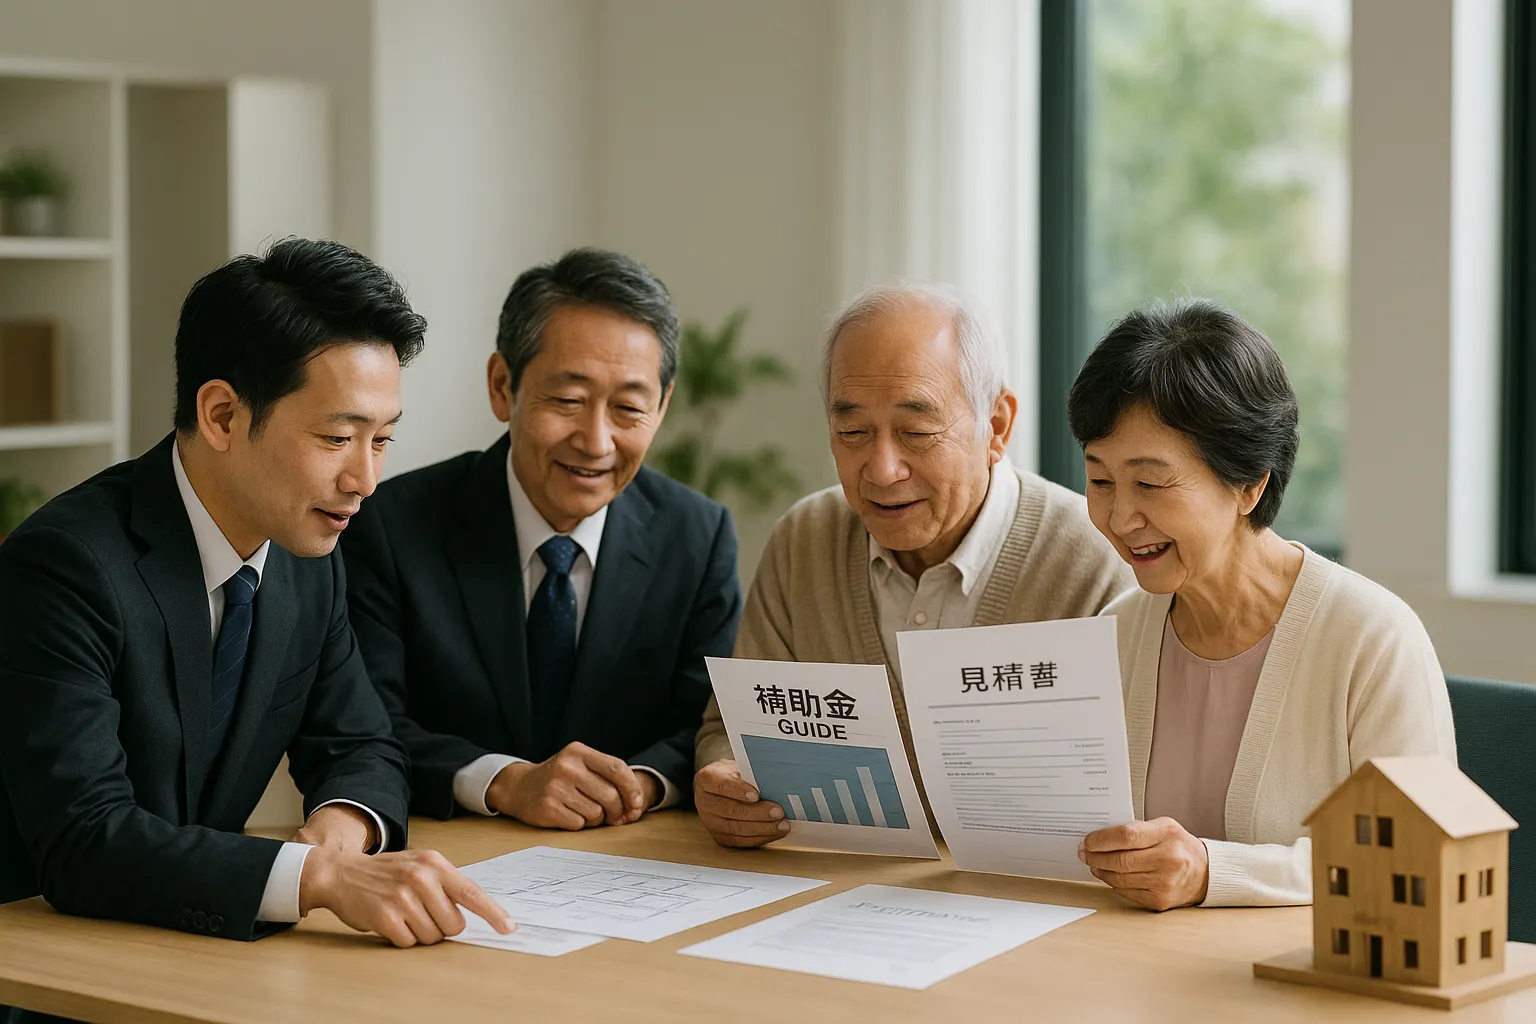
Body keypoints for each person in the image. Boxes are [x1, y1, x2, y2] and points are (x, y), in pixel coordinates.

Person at [0, 239, 513, 950]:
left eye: (383, 440)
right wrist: (318, 879)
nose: (364, 479)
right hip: (44, 959)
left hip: (188, 942)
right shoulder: (66, 565)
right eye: (337, 437)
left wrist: (345, 827)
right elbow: (84, 839)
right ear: (221, 416)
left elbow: (361, 743)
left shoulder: (307, 553)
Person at [693, 281, 1133, 847]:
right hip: (828, 891)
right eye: (852, 432)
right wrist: (726, 781)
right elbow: (730, 728)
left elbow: (1138, 778)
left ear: (996, 425)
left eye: (917, 431)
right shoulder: (804, 540)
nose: (881, 470)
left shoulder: (1093, 558)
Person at [1068, 298, 1457, 910]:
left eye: (1149, 483)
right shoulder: (1113, 634)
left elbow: (1418, 861)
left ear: (1252, 483)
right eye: (1099, 480)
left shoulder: (1372, 639)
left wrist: (1211, 872)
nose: (1119, 517)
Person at [342, 247, 740, 829]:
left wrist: (638, 786)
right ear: (503, 386)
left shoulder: (698, 536)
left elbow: (708, 722)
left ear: (663, 406)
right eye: (568, 400)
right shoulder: (391, 525)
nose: (596, 440)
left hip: (635, 859)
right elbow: (366, 724)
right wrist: (506, 781)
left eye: (629, 407)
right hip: (449, 852)